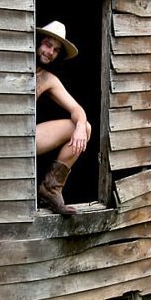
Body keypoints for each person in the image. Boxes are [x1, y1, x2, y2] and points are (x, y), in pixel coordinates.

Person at [35, 21, 92, 215]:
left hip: (25, 139)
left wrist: (80, 126)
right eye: (47, 45)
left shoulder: (47, 79)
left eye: (56, 50)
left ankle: (50, 189)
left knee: (86, 127)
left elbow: (77, 109)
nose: (50, 52)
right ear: (37, 42)